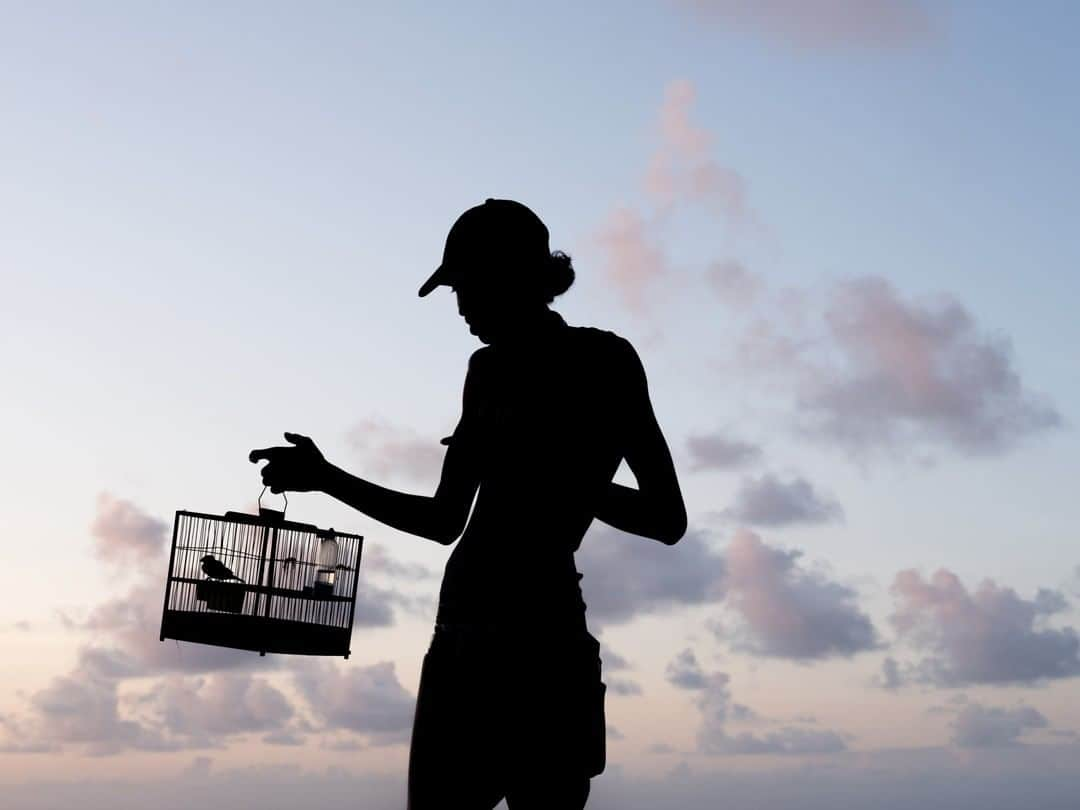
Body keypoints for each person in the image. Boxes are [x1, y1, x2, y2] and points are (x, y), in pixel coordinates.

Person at [250, 198, 687, 809]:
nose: (460, 308)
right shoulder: (485, 371)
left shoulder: (606, 362)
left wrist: (545, 466)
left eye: (470, 288)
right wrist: (326, 478)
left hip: (547, 647)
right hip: (459, 641)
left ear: (516, 278)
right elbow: (443, 521)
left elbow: (668, 520)